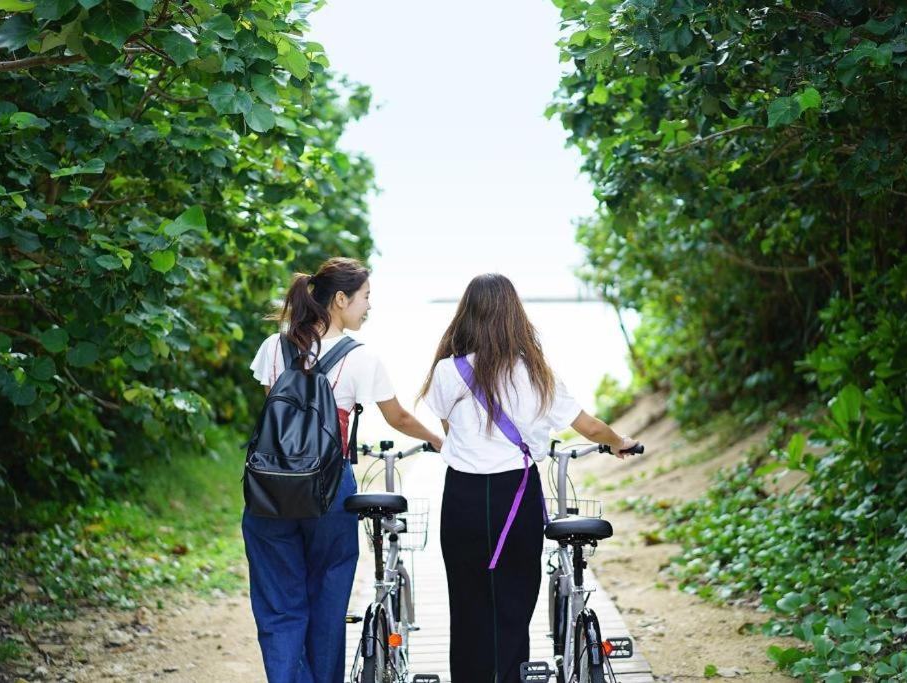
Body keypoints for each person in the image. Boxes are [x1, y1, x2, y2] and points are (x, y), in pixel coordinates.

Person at [419, 273, 640, 683]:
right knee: (513, 603)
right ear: (513, 316)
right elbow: (589, 427)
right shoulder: (536, 373)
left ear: (466, 315)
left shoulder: (448, 371)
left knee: (467, 605)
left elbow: (449, 428)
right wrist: (617, 442)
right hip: (515, 495)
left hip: (463, 495)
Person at [243, 256, 443, 683]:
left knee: (279, 606)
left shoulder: (274, 346)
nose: (369, 306)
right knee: (327, 602)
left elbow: (277, 418)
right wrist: (440, 440)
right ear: (340, 299)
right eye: (365, 297)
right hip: (329, 488)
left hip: (269, 487)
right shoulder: (360, 358)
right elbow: (398, 418)